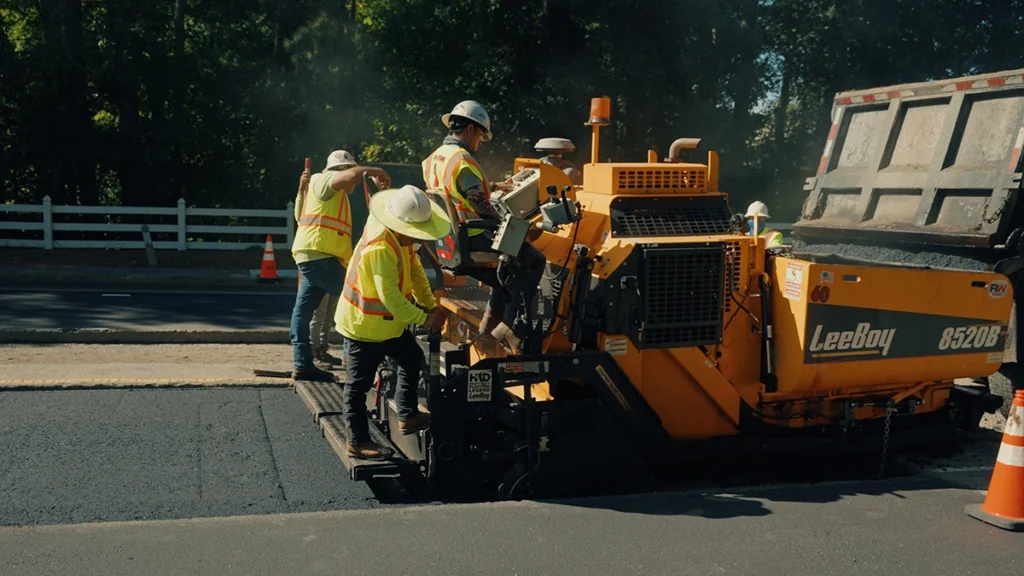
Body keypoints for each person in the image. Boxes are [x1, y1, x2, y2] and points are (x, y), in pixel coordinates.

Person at [335, 185, 451, 460]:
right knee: (357, 386)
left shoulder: (400, 238)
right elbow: (390, 297)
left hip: (387, 325)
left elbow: (415, 270)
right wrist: (425, 318)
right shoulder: (380, 248)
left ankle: (408, 415)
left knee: (412, 360)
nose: (417, 239)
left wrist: (431, 304)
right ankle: (357, 441)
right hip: (363, 327)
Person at [422, 100, 547, 351]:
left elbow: (455, 190)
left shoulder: (435, 157)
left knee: (504, 277)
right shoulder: (462, 160)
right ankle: (512, 328)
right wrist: (506, 224)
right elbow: (480, 204)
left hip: (449, 240)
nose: (480, 141)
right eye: (481, 134)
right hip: (475, 236)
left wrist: (496, 187)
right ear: (470, 129)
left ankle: (486, 332)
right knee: (534, 260)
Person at [290, 151, 392, 382]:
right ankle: (354, 365)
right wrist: (375, 170)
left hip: (313, 257)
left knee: (303, 312)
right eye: (349, 172)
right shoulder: (325, 180)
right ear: (340, 170)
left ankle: (302, 364)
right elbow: (353, 175)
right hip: (320, 259)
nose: (353, 180)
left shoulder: (330, 193)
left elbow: (300, 217)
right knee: (354, 303)